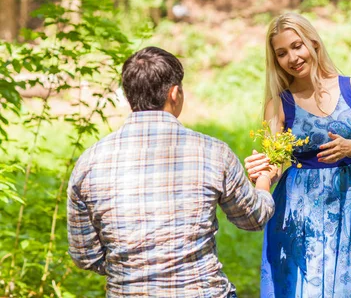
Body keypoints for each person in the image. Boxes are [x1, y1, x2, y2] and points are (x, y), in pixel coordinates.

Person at [67, 46, 278, 298]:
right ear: (175, 93)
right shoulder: (213, 152)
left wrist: (134, 268)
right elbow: (252, 218)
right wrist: (264, 180)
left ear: (128, 96)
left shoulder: (88, 163)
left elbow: (85, 255)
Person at [244, 13, 351, 297]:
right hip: (298, 209)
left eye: (297, 46)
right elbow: (275, 164)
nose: (292, 57)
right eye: (282, 53)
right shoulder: (279, 103)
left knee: (350, 286)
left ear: (314, 43)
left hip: (348, 201)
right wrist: (261, 175)